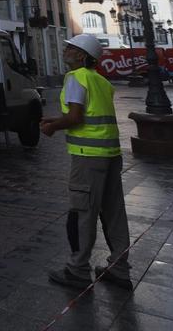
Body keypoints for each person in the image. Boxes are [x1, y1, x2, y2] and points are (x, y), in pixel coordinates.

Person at [41, 33, 133, 291]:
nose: (65, 51)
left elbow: (76, 118)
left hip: (87, 156)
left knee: (82, 212)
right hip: (110, 155)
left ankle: (78, 269)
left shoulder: (75, 77)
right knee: (114, 212)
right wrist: (55, 118)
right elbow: (86, 112)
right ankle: (120, 268)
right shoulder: (101, 81)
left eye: (70, 48)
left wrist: (52, 128)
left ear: (81, 56)